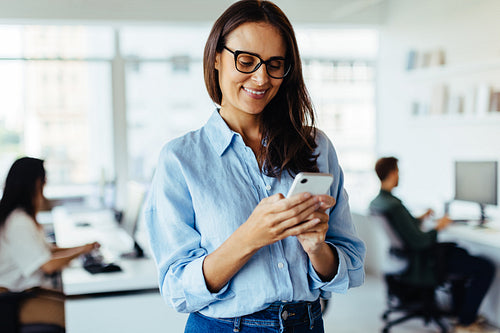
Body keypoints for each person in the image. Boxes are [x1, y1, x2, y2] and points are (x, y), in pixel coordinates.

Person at [144, 1, 366, 332]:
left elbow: (352, 267)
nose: (261, 78)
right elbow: (177, 291)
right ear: (217, 57)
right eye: (246, 61)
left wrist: (317, 249)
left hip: (305, 323)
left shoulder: (315, 146)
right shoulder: (180, 159)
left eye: (275, 65)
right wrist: (249, 237)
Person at [369, 156, 497, 333]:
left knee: (461, 254)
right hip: (422, 262)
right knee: (484, 267)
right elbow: (419, 241)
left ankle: (460, 314)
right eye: (398, 171)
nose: (400, 175)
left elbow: (403, 228)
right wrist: (439, 226)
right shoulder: (394, 205)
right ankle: (465, 322)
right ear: (392, 173)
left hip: (405, 259)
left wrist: (420, 218)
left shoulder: (380, 202)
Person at [0, 157, 100, 329]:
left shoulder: (21, 217)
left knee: (84, 300)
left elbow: (47, 250)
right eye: (43, 182)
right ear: (35, 184)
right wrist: (81, 250)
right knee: (82, 311)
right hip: (11, 301)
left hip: (26, 293)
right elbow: (48, 265)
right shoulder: (18, 221)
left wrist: (84, 248)